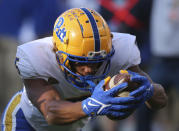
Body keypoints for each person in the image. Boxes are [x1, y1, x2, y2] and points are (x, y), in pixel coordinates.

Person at [1, 8, 167, 131]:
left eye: (96, 61)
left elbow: (161, 101)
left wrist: (148, 90)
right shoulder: (37, 56)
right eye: (79, 62)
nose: (89, 69)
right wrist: (92, 105)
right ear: (58, 53)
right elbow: (51, 112)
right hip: (26, 124)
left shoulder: (120, 52)